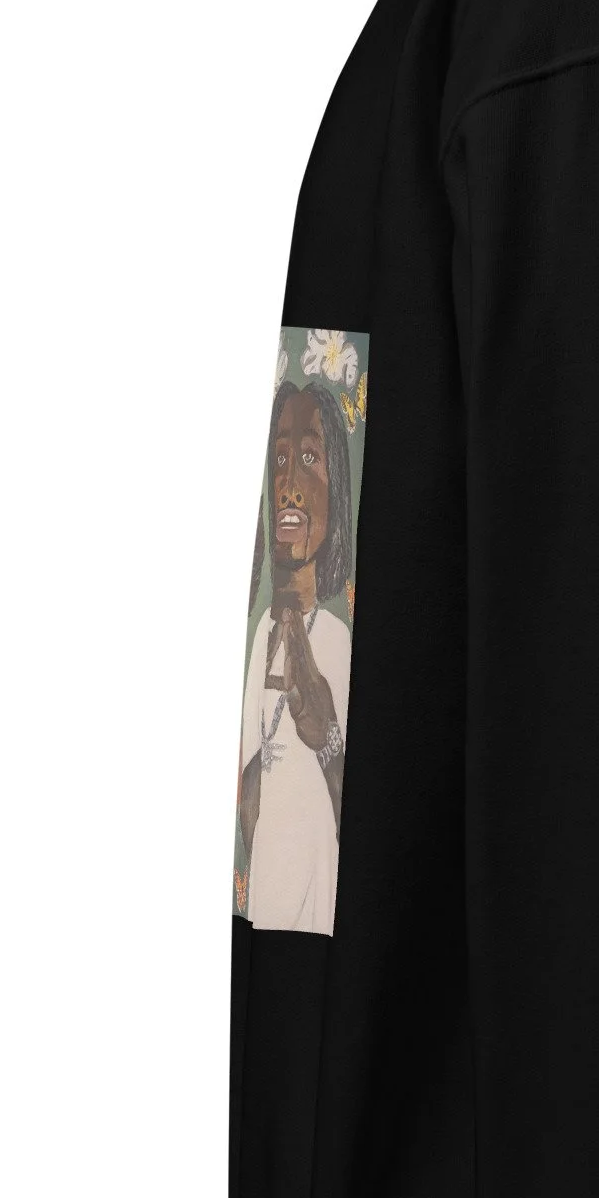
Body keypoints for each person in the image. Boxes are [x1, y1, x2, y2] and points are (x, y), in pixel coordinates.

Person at [235, 376, 353, 933]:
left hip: (317, 885)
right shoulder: (261, 635)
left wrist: (325, 734)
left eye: (309, 459)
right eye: (280, 460)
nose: (289, 485)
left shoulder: (337, 638)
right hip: (268, 886)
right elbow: (248, 796)